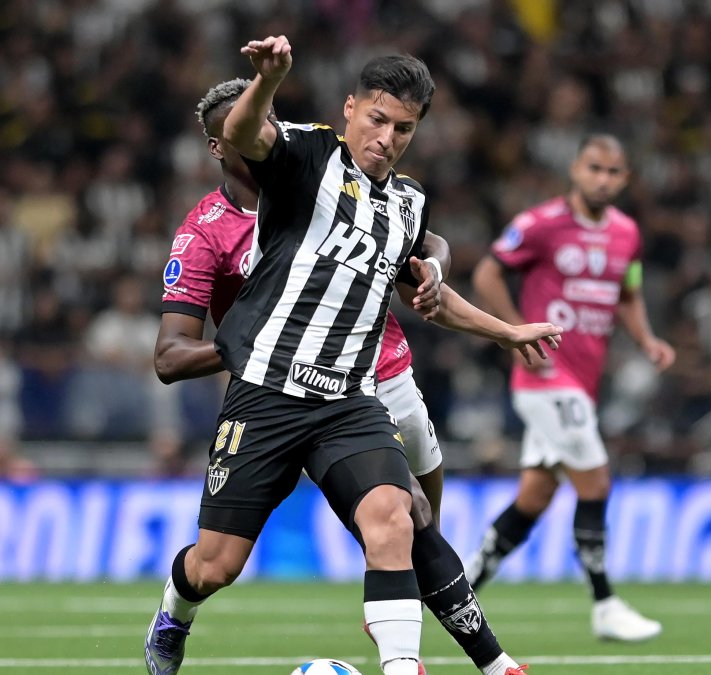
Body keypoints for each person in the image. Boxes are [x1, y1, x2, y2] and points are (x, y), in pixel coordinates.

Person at [143, 37, 557, 675]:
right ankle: (177, 607)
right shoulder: (306, 156)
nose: (387, 137)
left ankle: (408, 666)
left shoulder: (408, 202)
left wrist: (505, 331)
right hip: (267, 394)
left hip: (349, 396)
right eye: (377, 120)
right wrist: (269, 80)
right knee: (214, 565)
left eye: (404, 128)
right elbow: (245, 132)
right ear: (349, 109)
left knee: (398, 516)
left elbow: (429, 290)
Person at [465, 134, 675, 642]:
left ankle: (459, 587)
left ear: (625, 179)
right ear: (575, 169)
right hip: (543, 376)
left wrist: (646, 339)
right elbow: (487, 272)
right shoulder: (539, 225)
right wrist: (513, 332)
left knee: (535, 495)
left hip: (582, 381)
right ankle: (605, 604)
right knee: (596, 482)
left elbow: (628, 292)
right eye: (594, 168)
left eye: (613, 172)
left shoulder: (627, 233)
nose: (603, 179)